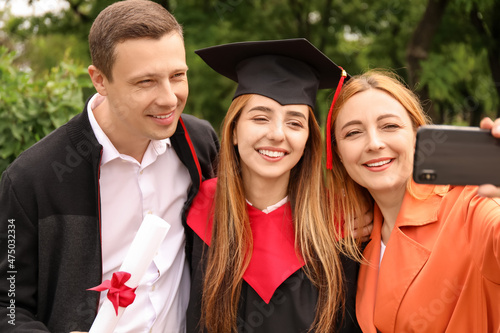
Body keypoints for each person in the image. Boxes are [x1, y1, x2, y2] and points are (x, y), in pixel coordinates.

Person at [0, 0, 218, 332]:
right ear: (100, 80)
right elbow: (8, 304)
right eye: (146, 82)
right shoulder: (33, 179)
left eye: (177, 75)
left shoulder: (199, 145)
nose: (169, 98)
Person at [185, 38, 368, 333]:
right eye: (260, 117)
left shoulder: (340, 225)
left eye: (295, 123)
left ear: (308, 140)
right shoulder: (198, 212)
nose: (277, 134)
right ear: (233, 130)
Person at [325, 70, 500, 332]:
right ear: (338, 152)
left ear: (418, 135)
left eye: (390, 126)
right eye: (353, 133)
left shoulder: (470, 205)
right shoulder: (358, 236)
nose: (374, 143)